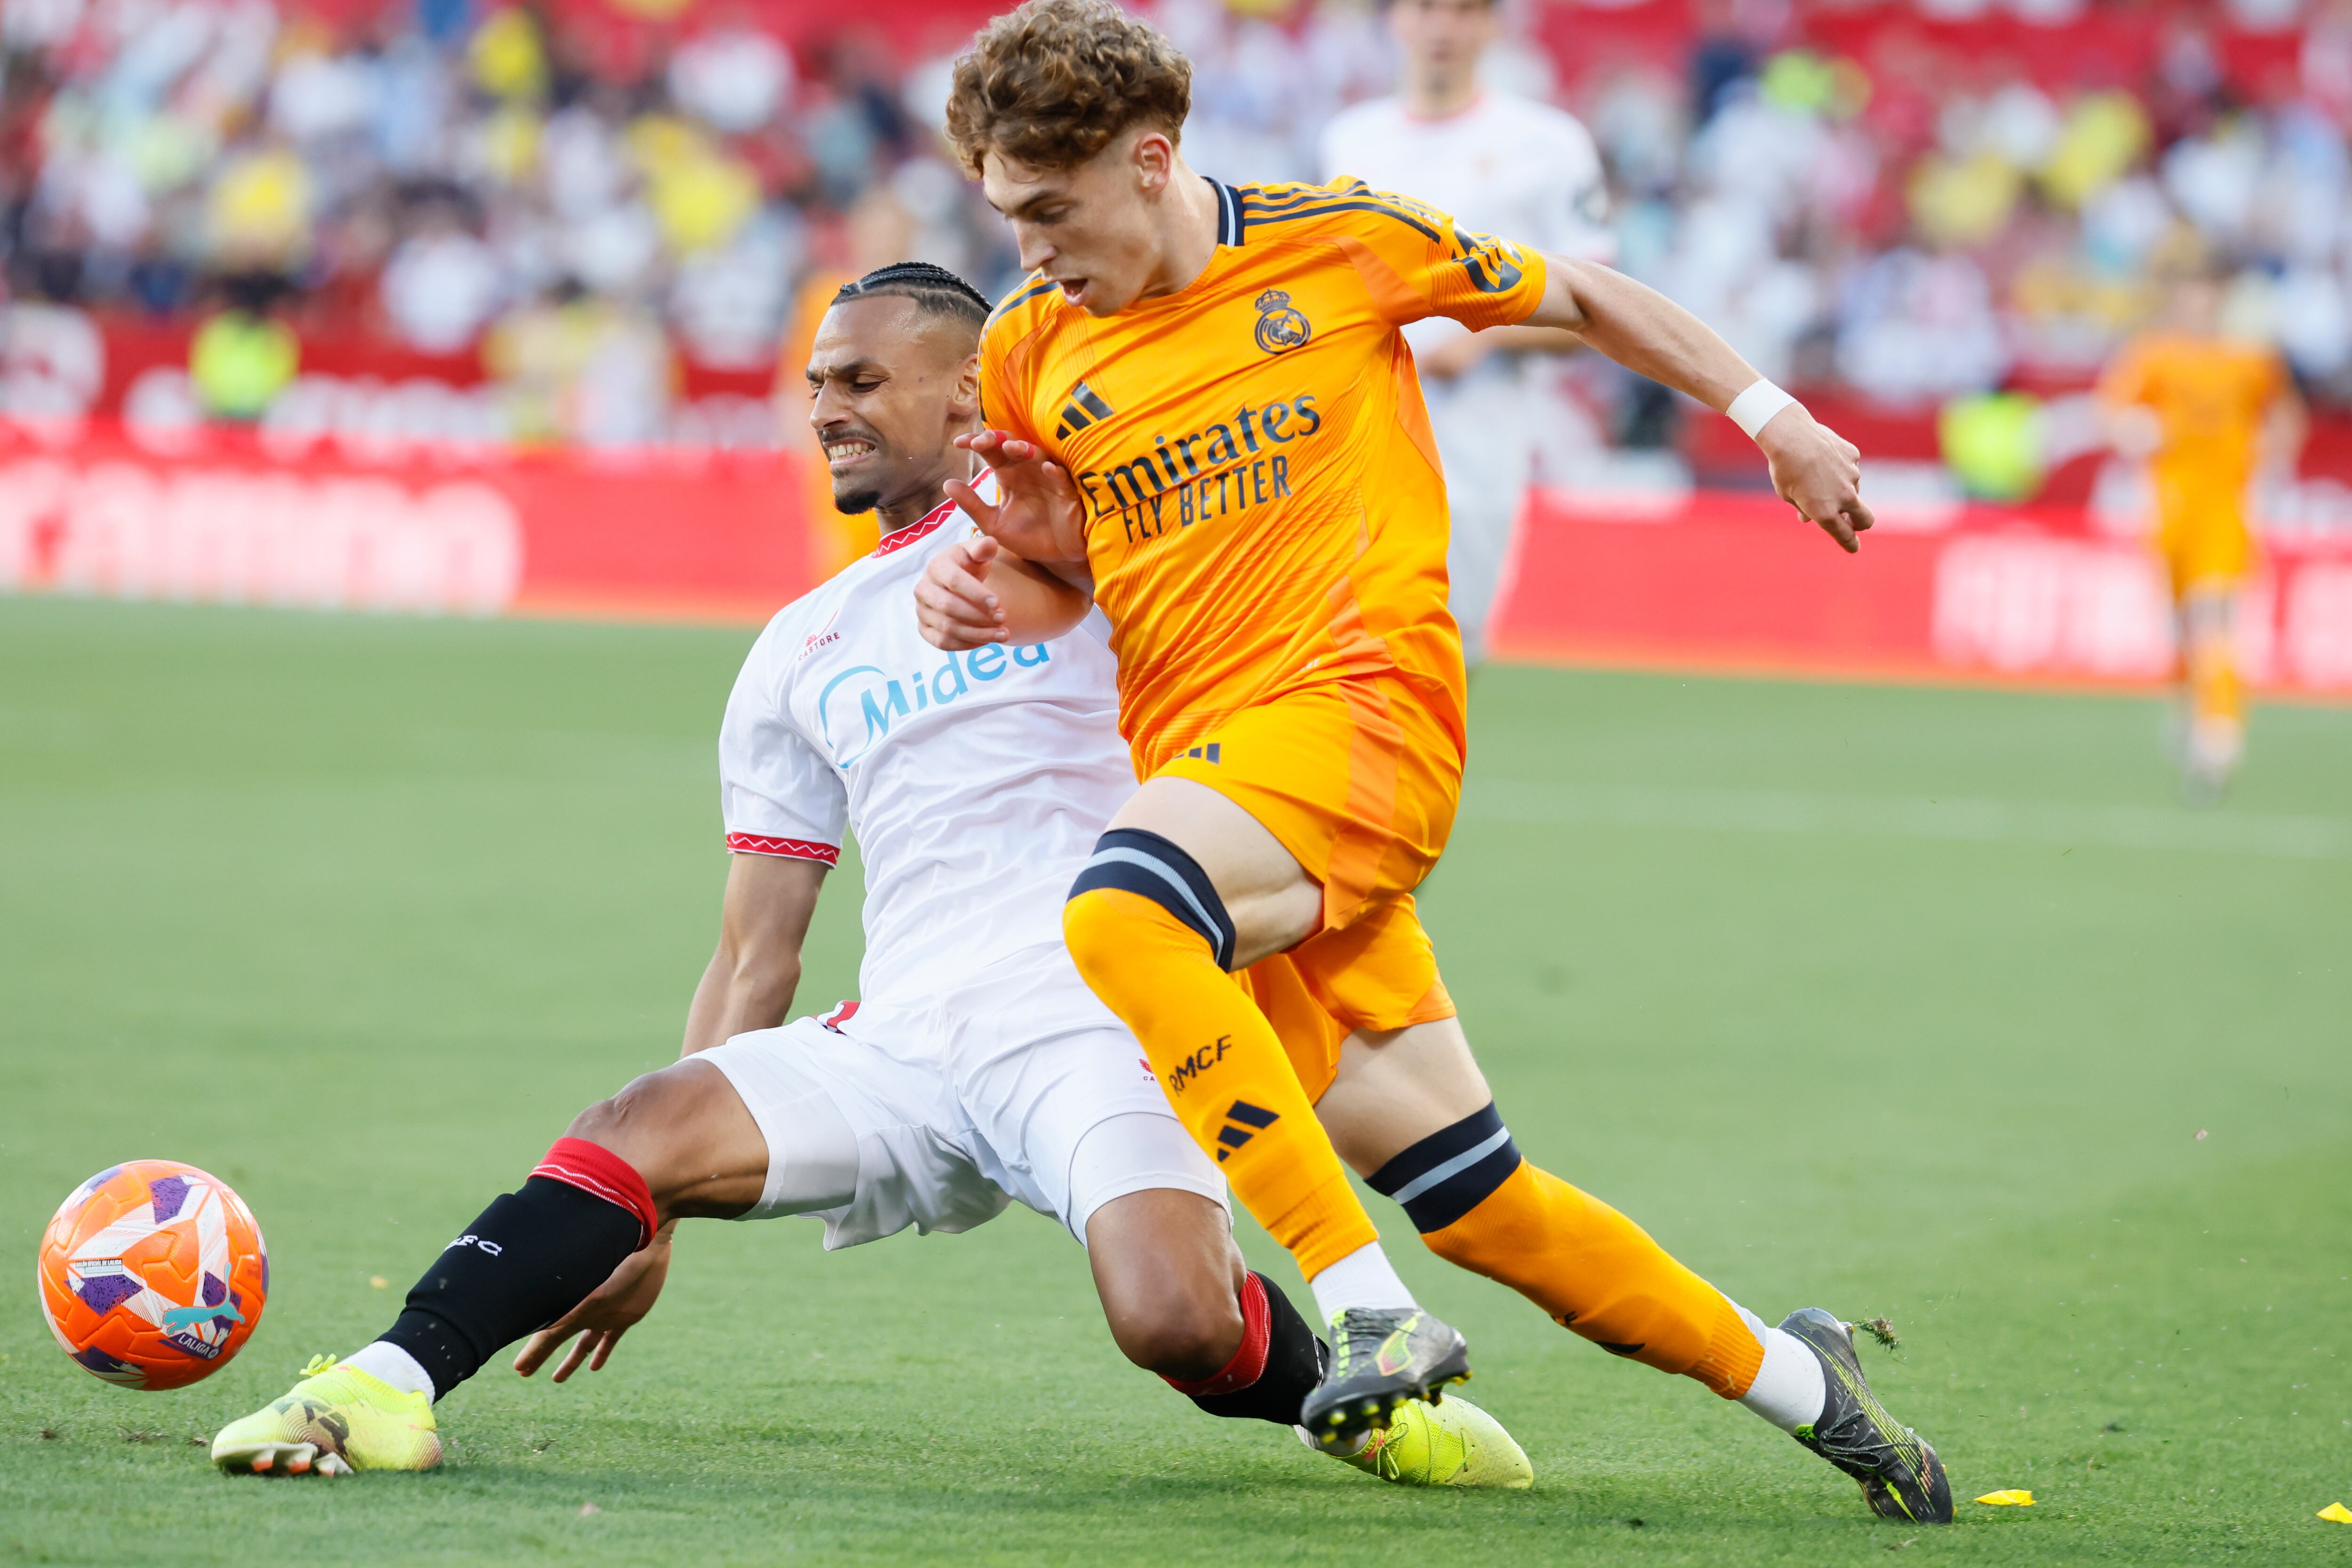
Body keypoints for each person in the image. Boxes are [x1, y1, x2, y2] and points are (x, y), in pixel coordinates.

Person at [207, 261, 1527, 1489]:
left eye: (860, 380)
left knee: (1174, 1318)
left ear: (966, 395)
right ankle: (379, 1386)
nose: (825, 408)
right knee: (632, 1126)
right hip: (905, 1036)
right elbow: (756, 947)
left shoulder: (1111, 558)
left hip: (1103, 1019)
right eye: (817, 383)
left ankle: (1363, 1409)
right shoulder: (800, 644)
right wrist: (652, 1222)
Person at [915, 0, 1948, 1523]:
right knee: (1483, 1201)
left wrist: (1771, 414)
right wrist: (1004, 580)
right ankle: (1811, 1383)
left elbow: (1580, 294)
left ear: (1151, 160)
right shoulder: (1028, 350)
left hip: (1364, 716)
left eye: (1052, 210)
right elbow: (1075, 574)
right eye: (1008, 215)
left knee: (1120, 913)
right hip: (1225, 783)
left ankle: (1366, 1305)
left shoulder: (1339, 244)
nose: (1031, 250)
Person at [1317, 0, 1613, 664]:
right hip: (1361, 427)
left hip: (1476, 435)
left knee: (1449, 643)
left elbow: (1598, 303)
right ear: (1396, 20)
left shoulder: (1548, 144)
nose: (1442, 28)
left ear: (1492, 24)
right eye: (1425, 9)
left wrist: (1485, 338)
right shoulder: (1349, 141)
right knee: (1350, 643)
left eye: (1464, 10)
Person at [2099, 258, 2303, 802]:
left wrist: (2274, 460)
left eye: (2209, 294)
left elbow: (2284, 414)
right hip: (2169, 512)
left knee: (2212, 617)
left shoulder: (2249, 359)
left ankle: (2218, 738)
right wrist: (2134, 432)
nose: (2200, 304)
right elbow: (2113, 413)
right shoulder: (2153, 355)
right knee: (2180, 630)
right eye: (2191, 293)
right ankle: (2191, 711)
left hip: (2224, 509)